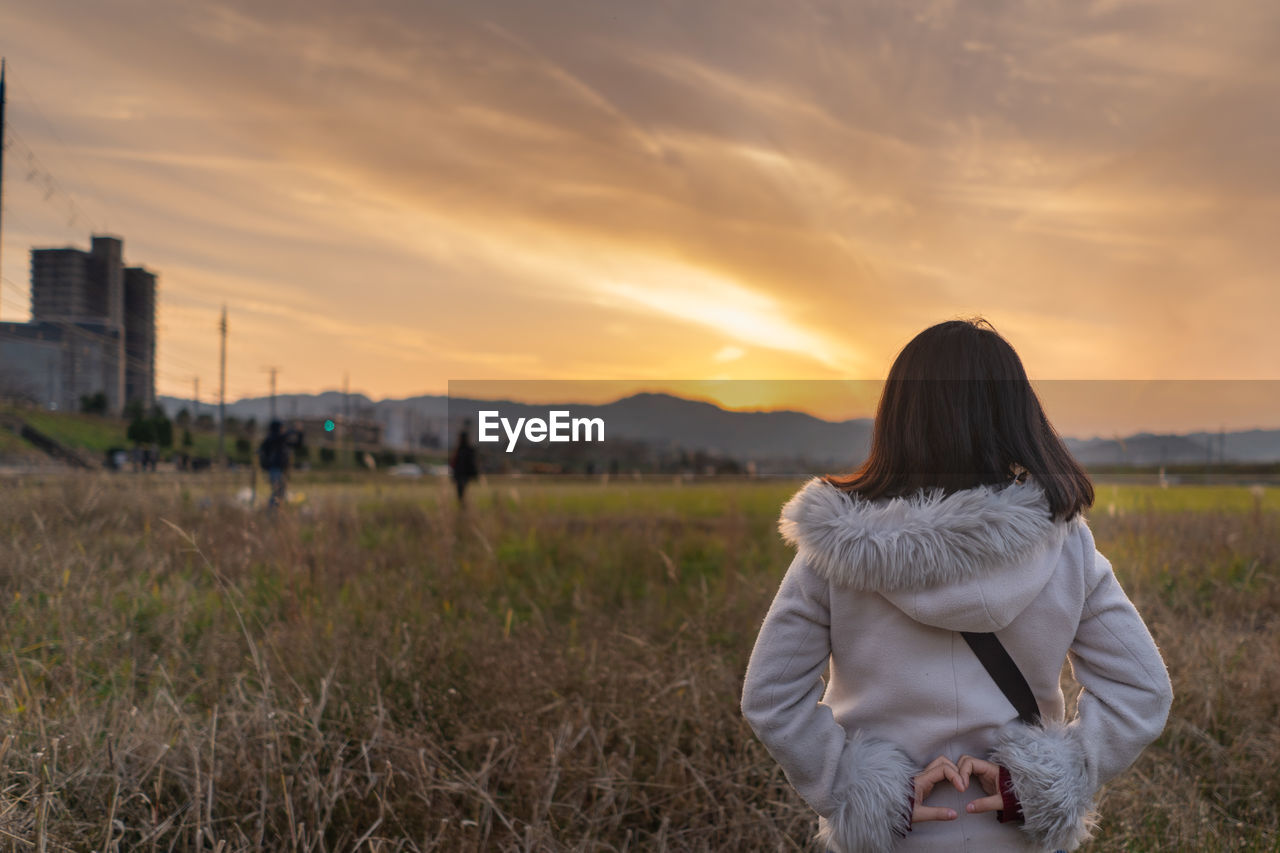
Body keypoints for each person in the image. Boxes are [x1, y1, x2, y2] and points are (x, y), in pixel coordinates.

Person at [741, 319, 1173, 853]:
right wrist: (1045, 782)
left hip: (896, 839)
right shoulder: (1065, 544)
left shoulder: (834, 551)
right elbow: (1144, 689)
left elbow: (769, 696)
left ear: (897, 417)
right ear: (1015, 417)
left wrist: (857, 790)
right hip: (1019, 836)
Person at [258, 419, 301, 508]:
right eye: (282, 427)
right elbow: (281, 437)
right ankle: (272, 512)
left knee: (281, 492)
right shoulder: (272, 439)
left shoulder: (281, 441)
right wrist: (294, 429)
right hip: (275, 469)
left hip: (281, 470)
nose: (283, 429)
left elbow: (297, 445)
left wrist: (300, 433)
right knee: (278, 492)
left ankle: (276, 511)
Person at [449, 425, 479, 506]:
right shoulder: (469, 450)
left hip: (459, 475)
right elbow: (472, 463)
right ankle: (463, 507)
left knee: (460, 494)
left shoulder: (458, 450)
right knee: (462, 493)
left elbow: (453, 463)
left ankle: (463, 507)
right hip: (465, 475)